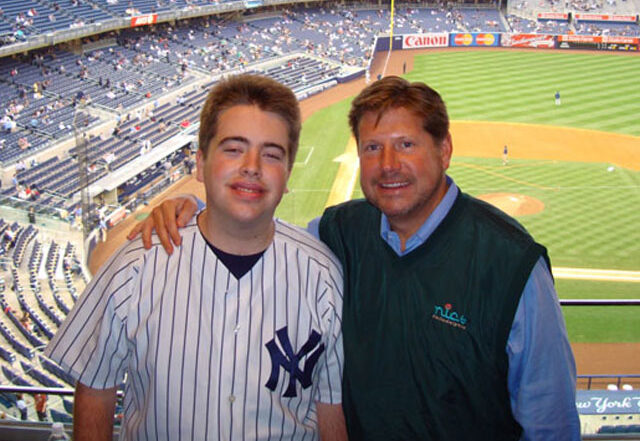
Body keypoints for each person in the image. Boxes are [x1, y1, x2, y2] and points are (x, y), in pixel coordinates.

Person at [130, 76, 580, 440]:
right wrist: (199, 209)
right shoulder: (341, 231)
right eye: (371, 147)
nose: (387, 163)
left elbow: (551, 424)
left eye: (406, 144)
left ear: (443, 150)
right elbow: (266, 238)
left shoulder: (511, 262)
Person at [44, 74, 346, 441]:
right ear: (200, 164)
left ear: (286, 175)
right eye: (234, 149)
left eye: (271, 154)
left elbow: (330, 407)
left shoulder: (324, 276)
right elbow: (94, 389)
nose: (252, 165)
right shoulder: (134, 266)